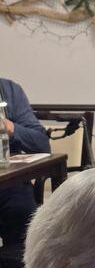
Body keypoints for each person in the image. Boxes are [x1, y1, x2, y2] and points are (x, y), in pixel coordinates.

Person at [0, 78, 50, 253]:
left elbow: (41, 143)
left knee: (23, 213)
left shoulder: (8, 91)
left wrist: (8, 127)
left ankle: (14, 267)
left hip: (8, 186)